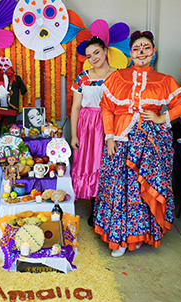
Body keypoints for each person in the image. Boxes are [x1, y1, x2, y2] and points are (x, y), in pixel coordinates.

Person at [95, 30, 181, 257]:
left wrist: (162, 117)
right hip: (121, 139)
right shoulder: (116, 78)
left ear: (154, 52)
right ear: (130, 53)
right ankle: (118, 238)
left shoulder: (164, 80)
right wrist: (109, 136)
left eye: (146, 47)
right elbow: (107, 108)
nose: (141, 52)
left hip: (151, 143)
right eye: (137, 48)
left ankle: (138, 235)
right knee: (119, 187)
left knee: (141, 188)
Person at [70, 36, 115, 226]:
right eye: (89, 56)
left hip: (110, 125)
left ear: (105, 50)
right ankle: (95, 209)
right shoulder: (83, 77)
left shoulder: (118, 76)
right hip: (87, 127)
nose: (93, 58)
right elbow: (75, 107)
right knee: (89, 164)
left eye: (96, 52)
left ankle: (109, 209)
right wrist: (73, 135)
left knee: (107, 165)